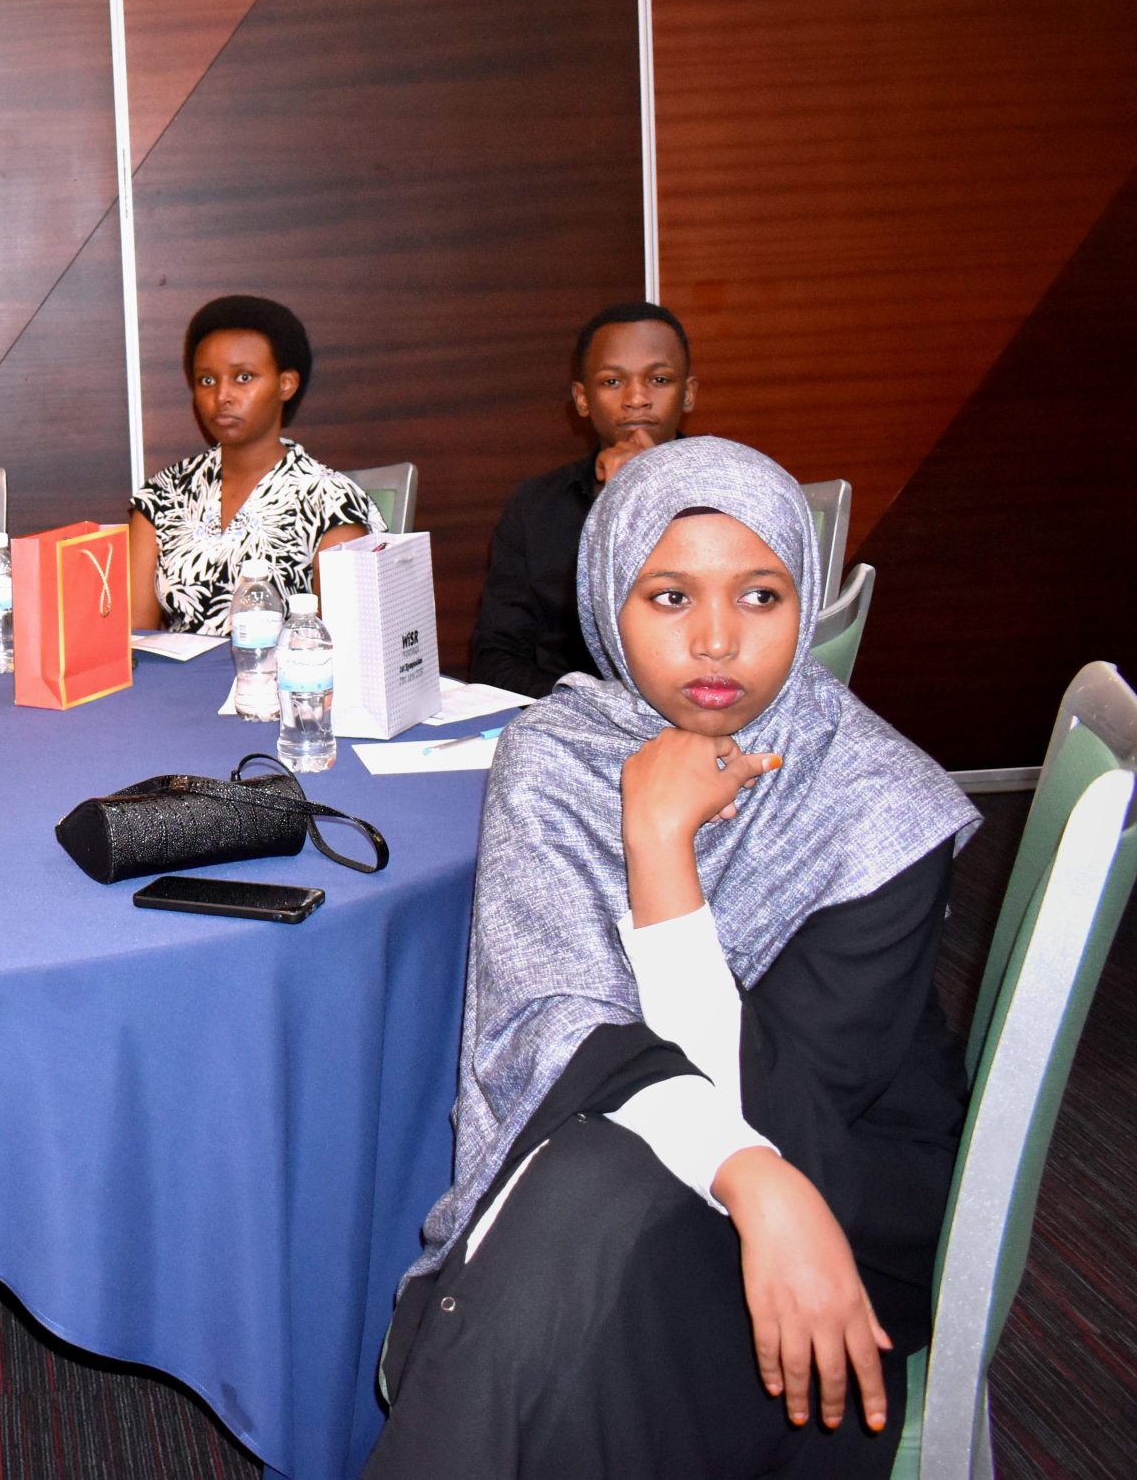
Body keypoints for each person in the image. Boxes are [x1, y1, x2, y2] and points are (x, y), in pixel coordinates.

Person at [368, 438, 977, 1480]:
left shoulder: (876, 805)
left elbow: (784, 1113)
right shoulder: (557, 753)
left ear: (807, 604)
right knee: (583, 1212)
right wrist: (747, 1175)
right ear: (609, 601)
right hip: (697, 1178)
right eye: (668, 597)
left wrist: (660, 856)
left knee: (570, 1245)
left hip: (835, 1186)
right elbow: (549, 1022)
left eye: (760, 596)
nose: (716, 639)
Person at [470, 300, 697, 696]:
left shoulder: (738, 497)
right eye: (613, 382)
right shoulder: (534, 507)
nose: (637, 398)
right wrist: (591, 711)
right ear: (582, 399)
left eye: (659, 379)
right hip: (566, 714)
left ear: (689, 393)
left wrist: (646, 495)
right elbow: (495, 661)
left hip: (700, 716)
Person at [127, 295, 378, 631]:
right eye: (207, 380)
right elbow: (136, 639)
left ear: (286, 384)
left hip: (285, 667)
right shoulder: (163, 495)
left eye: (243, 377)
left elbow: (344, 642)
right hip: (173, 669)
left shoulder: (331, 502)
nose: (222, 396)